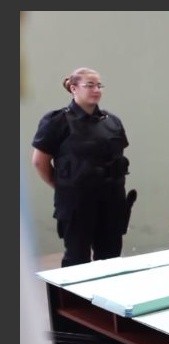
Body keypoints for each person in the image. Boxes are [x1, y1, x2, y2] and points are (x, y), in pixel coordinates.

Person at [31, 67, 133, 267]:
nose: (96, 90)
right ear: (73, 88)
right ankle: (74, 300)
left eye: (99, 85)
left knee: (110, 256)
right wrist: (61, 185)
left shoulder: (112, 121)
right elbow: (39, 161)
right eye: (89, 85)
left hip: (111, 200)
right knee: (77, 259)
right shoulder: (57, 120)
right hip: (77, 202)